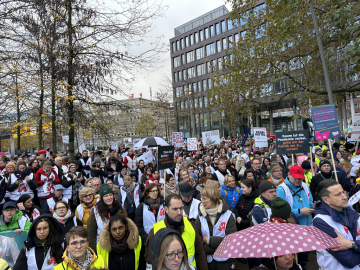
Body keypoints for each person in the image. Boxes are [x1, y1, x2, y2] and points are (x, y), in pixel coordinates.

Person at [145, 194, 208, 270]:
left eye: (181, 208)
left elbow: (200, 254)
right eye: (175, 209)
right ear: (166, 209)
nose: (179, 212)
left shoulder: (190, 225)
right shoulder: (156, 230)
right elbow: (150, 261)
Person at [313, 180, 360, 270]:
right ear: (326, 200)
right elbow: (348, 260)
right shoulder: (321, 222)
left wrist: (352, 244)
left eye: (343, 192)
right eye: (338, 195)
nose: (345, 197)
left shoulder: (352, 213)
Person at [276, 165, 313, 270]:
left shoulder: (305, 185)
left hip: (307, 227)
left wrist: (311, 207)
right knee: (296, 259)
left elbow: (310, 200)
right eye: (295, 177)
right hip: (293, 230)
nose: (298, 180)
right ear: (289, 175)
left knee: (305, 257)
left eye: (300, 177)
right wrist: (300, 212)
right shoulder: (281, 189)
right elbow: (281, 211)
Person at [195, 186, 237, 270]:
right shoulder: (200, 217)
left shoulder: (228, 215)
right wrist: (215, 248)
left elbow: (231, 240)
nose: (202, 202)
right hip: (207, 262)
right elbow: (198, 241)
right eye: (201, 198)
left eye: (205, 199)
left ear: (213, 199)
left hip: (226, 262)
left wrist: (209, 240)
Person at [87, 184, 127, 252]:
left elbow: (126, 227)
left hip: (119, 245)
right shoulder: (96, 211)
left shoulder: (120, 208)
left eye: (110, 195)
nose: (109, 198)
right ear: (102, 198)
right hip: (102, 247)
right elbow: (91, 233)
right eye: (106, 196)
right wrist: (94, 250)